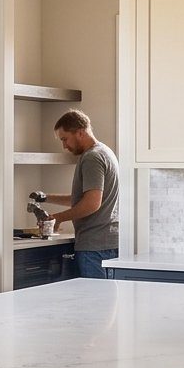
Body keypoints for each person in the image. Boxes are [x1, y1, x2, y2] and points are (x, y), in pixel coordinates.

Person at [41, 110, 119, 279]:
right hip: (108, 242)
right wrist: (45, 197)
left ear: (80, 132)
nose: (64, 146)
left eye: (65, 139)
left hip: (94, 247)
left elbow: (92, 203)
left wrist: (58, 218)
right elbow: (83, 199)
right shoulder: (106, 152)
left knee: (93, 295)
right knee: (107, 295)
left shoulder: (92, 157)